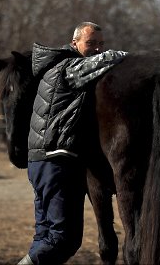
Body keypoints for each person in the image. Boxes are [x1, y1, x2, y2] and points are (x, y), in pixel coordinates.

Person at [18, 22, 127, 265]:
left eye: (101, 44)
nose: (98, 49)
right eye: (91, 43)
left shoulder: (56, 67)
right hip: (55, 162)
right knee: (63, 238)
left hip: (42, 162)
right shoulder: (67, 67)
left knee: (44, 237)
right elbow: (101, 62)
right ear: (74, 43)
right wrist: (125, 56)